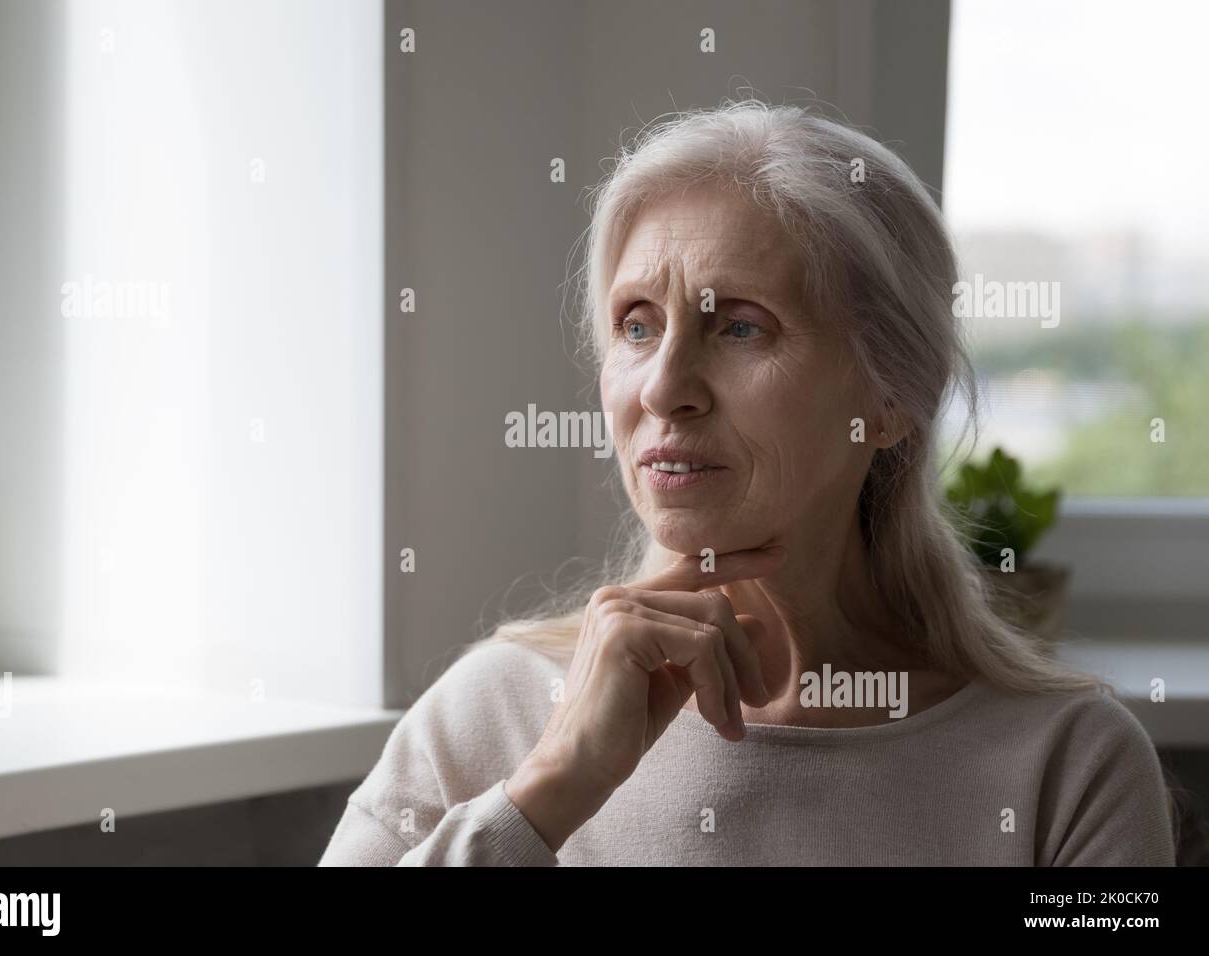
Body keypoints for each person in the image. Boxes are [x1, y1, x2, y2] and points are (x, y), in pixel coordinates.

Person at [319, 100, 1176, 866]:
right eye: (636, 325)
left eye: (738, 327)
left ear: (890, 400)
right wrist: (548, 792)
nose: (662, 387)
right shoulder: (487, 716)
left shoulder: (1068, 770)